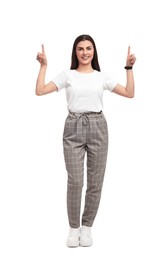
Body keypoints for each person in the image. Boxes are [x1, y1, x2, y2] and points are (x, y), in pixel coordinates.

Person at [35, 34, 136, 247]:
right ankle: (73, 229)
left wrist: (129, 69)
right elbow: (40, 91)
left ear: (94, 51)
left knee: (95, 182)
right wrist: (44, 66)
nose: (85, 52)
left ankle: (87, 228)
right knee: (75, 181)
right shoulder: (67, 75)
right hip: (73, 126)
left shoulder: (102, 77)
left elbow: (129, 93)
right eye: (80, 49)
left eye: (88, 48)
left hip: (98, 126)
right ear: (75, 52)